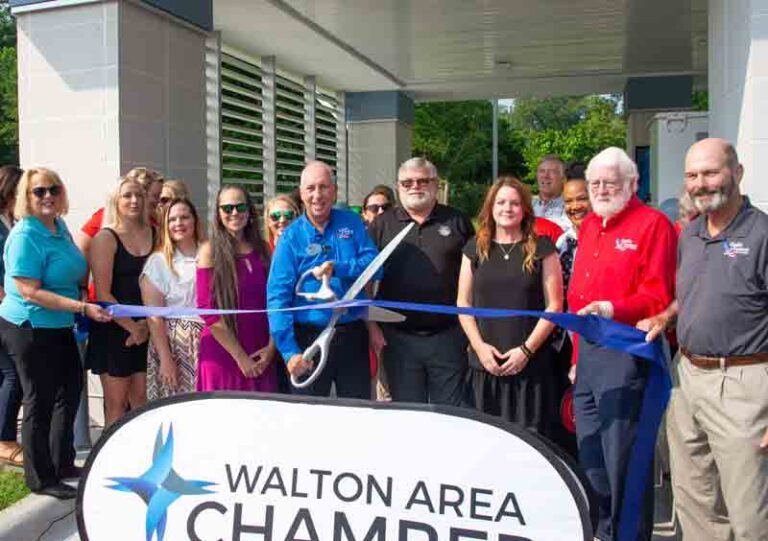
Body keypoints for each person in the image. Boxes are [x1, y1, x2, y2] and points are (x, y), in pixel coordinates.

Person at [638, 139, 768, 541]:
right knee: (695, 502)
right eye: (692, 175)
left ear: (738, 173)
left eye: (710, 173)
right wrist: (666, 315)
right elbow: (694, 291)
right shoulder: (691, 233)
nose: (700, 183)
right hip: (687, 378)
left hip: (745, 385)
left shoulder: (761, 234)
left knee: (749, 515)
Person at [569, 147, 676, 541]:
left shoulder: (653, 225)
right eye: (594, 183)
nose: (600, 190)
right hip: (590, 355)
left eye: (609, 182)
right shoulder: (590, 227)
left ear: (631, 184)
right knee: (591, 454)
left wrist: (614, 308)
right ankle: (604, 531)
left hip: (628, 352)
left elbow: (659, 295)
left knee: (624, 460)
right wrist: (578, 357)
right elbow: (580, 299)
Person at [0, 168, 110, 498]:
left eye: (53, 189)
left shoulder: (58, 227)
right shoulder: (24, 236)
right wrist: (81, 308)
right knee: (40, 399)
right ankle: (40, 478)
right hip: (29, 327)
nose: (47, 196)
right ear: (25, 197)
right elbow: (30, 291)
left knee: (71, 391)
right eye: (39, 191)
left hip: (60, 324)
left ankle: (62, 462)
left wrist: (80, 295)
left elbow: (72, 270)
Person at [457, 177, 563, 433]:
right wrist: (480, 348)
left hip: (530, 369)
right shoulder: (474, 248)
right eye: (501, 202)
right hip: (484, 366)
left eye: (514, 203)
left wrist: (526, 351)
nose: (507, 208)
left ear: (525, 209)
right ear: (490, 207)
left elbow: (555, 305)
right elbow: (463, 302)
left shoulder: (542, 248)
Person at [368, 157, 474, 406]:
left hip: (448, 337)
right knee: (408, 414)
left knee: (450, 416)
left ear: (436, 185)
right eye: (407, 182)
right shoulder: (382, 225)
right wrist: (372, 327)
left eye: (422, 181)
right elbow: (366, 281)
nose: (415, 186)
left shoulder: (458, 222)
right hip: (398, 339)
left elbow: (475, 278)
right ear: (398, 187)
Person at [267, 161, 378, 398]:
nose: (317, 195)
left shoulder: (352, 223)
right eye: (311, 189)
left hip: (351, 336)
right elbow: (277, 298)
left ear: (335, 191)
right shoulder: (290, 239)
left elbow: (376, 267)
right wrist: (289, 352)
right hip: (307, 339)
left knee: (356, 413)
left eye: (324, 187)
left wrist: (339, 268)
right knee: (308, 420)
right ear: (301, 193)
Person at [86, 176, 155, 427]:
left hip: (149, 329)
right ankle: (108, 463)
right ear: (116, 200)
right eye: (127, 195)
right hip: (114, 330)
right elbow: (103, 294)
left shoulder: (155, 234)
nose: (134, 200)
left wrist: (146, 327)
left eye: (138, 194)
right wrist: (133, 327)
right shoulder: (105, 238)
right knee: (116, 403)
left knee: (143, 401)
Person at [197, 185, 277, 392]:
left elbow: (277, 300)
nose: (235, 213)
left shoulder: (264, 249)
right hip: (224, 352)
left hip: (262, 352)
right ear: (218, 214)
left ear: (250, 211)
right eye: (227, 208)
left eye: (240, 207)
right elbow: (208, 311)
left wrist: (271, 348)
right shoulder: (209, 251)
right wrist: (241, 358)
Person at [140, 199, 204, 400]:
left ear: (194, 220)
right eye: (172, 219)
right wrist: (166, 358)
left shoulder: (210, 253)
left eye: (184, 217)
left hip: (210, 339)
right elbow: (154, 317)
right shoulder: (158, 262)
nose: (179, 223)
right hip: (175, 345)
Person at [0, 166, 22, 467]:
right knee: (12, 374)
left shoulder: (13, 222)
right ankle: (3, 440)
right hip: (4, 311)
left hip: (12, 310)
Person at [532, 155, 571, 230]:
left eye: (552, 171)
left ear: (563, 178)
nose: (546, 176)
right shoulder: (525, 205)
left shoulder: (570, 208)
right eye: (542, 171)